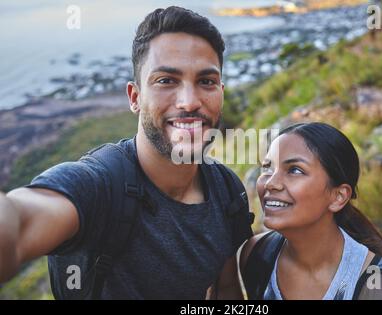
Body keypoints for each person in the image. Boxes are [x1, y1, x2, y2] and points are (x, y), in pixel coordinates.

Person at [0, 6, 253, 299]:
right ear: (135, 97)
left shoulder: (227, 191)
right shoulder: (97, 186)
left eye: (206, 82)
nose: (189, 101)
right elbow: (20, 224)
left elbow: (227, 291)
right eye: (166, 81)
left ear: (221, 91)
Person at [237, 122, 382, 300]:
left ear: (339, 197)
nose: (270, 183)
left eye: (295, 170)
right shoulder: (257, 254)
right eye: (267, 168)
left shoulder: (381, 291)